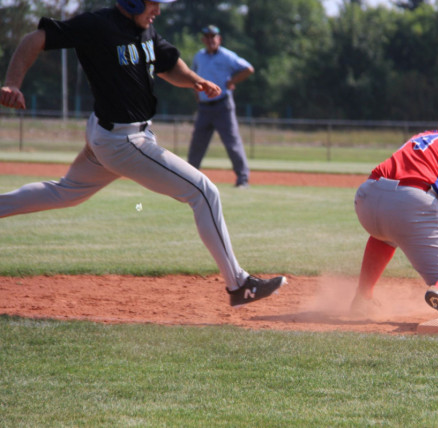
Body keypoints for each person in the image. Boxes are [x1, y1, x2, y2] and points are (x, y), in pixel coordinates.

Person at [0, 0, 285, 306]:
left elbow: (168, 64)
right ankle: (239, 284)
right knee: (204, 192)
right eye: (153, 4)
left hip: (109, 133)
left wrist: (196, 81)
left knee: (65, 192)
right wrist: (12, 83)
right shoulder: (98, 25)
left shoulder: (146, 28)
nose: (158, 11)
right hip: (124, 140)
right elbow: (36, 39)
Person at [351, 101, 438, 317]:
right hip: (411, 202)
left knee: (385, 234)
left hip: (367, 196)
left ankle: (362, 296)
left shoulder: (421, 136)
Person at [187, 25, 254, 188]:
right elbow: (193, 76)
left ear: (219, 39)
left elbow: (248, 69)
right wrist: (197, 93)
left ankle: (242, 178)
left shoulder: (227, 56)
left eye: (213, 37)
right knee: (197, 144)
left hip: (223, 105)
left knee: (232, 142)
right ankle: (188, 179)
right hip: (204, 107)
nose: (210, 40)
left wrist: (232, 81)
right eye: (207, 37)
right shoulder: (199, 57)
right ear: (203, 40)